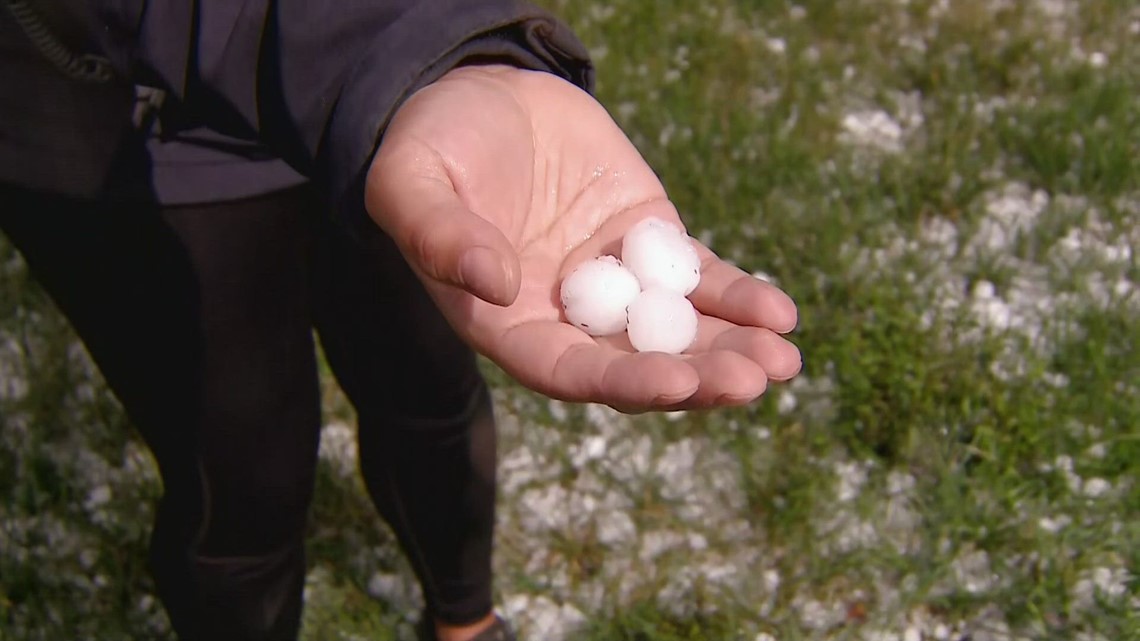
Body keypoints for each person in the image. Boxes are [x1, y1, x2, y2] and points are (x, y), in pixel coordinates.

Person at [0, 1, 803, 640]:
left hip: (388, 83)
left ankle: (465, 617)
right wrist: (384, 38)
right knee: (240, 476)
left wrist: (441, 50)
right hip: (113, 128)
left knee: (428, 385)